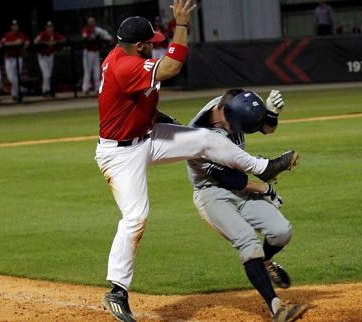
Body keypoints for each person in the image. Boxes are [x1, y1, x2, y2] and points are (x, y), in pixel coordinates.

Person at [94, 1, 298, 321]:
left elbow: (135, 100)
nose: (154, 47)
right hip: (120, 154)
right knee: (136, 217)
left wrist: (160, 120)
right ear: (138, 46)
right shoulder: (125, 66)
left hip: (148, 135)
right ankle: (117, 290)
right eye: (151, 44)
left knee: (205, 139)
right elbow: (172, 67)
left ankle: (263, 167)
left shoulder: (126, 58)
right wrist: (183, 25)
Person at [186, 89, 307, 322]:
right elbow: (231, 179)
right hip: (213, 193)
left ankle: (265, 262)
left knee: (281, 232)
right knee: (248, 242)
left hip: (241, 186)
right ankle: (277, 308)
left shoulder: (236, 105)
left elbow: (265, 128)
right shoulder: (197, 138)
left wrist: (271, 113)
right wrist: (266, 189)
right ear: (224, 116)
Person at [81, 17, 113, 95]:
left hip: (96, 52)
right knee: (88, 70)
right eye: (90, 22)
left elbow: (106, 36)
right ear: (88, 23)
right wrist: (94, 38)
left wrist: (110, 38)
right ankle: (86, 88)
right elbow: (85, 38)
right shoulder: (86, 30)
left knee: (97, 70)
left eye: (93, 22)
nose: (92, 23)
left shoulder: (97, 30)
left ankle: (97, 87)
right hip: (88, 52)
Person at [34, 21, 65, 97]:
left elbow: (63, 39)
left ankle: (47, 91)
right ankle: (45, 91)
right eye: (48, 27)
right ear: (46, 28)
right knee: (46, 75)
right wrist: (46, 42)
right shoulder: (43, 34)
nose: (50, 28)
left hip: (50, 56)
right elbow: (35, 41)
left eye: (51, 26)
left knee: (49, 75)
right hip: (42, 56)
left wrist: (55, 42)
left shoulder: (54, 34)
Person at [2, 20, 30, 101]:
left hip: (18, 58)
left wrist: (25, 45)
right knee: (10, 77)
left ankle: (15, 95)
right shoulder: (7, 35)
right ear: (11, 27)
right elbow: (3, 43)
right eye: (13, 26)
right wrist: (15, 43)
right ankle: (21, 89)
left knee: (17, 77)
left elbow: (27, 41)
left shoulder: (21, 34)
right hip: (9, 58)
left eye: (16, 25)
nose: (15, 27)